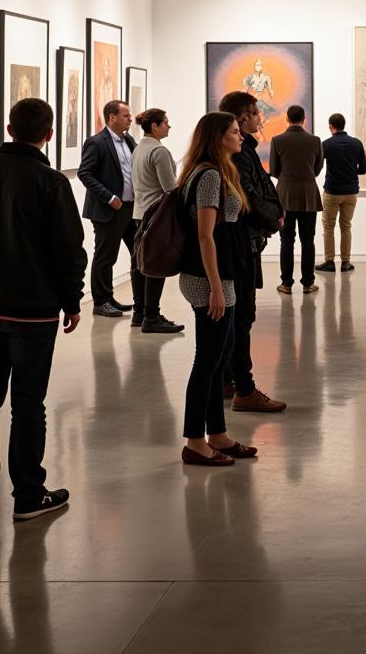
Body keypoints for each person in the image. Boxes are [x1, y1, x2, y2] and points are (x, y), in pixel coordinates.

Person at [0, 99, 86, 520]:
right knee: (29, 403)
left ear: (9, 128)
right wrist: (72, 299)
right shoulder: (51, 182)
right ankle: (29, 494)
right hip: (33, 309)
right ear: (49, 135)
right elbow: (68, 249)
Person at [177, 112, 257, 466]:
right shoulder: (209, 176)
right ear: (218, 137)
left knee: (218, 359)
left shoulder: (216, 171)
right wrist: (216, 289)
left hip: (222, 277)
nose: (241, 137)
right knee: (207, 362)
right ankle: (195, 441)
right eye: (235, 132)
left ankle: (218, 435)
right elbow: (206, 237)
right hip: (209, 280)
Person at [218, 92, 287, 414]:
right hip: (238, 246)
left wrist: (276, 212)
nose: (261, 118)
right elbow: (250, 196)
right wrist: (273, 217)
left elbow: (265, 186)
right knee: (240, 315)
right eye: (256, 113)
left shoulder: (245, 150)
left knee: (240, 316)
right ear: (241, 118)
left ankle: (229, 380)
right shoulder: (231, 157)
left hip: (246, 244)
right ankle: (242, 387)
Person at [78, 99, 145, 319]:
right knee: (106, 257)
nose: (130, 118)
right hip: (109, 209)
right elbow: (85, 173)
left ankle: (117, 299)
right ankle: (101, 301)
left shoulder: (129, 140)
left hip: (130, 208)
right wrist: (110, 197)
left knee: (138, 253)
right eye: (126, 115)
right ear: (112, 117)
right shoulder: (96, 142)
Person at [130, 108, 184, 334]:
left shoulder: (139, 148)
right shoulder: (159, 152)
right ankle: (152, 316)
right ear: (155, 125)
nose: (169, 126)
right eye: (166, 123)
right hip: (156, 214)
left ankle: (140, 312)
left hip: (139, 213)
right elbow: (169, 189)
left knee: (139, 265)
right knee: (155, 265)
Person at [269, 105, 324, 295]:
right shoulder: (315, 141)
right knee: (308, 240)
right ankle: (308, 283)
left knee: (286, 241)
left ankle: (286, 283)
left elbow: (274, 170)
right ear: (304, 118)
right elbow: (317, 169)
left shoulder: (277, 140)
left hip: (285, 196)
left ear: (287, 118)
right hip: (309, 194)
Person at [317, 113, 366, 275]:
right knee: (346, 226)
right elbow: (364, 168)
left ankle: (330, 261)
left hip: (332, 191)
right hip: (351, 191)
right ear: (344, 125)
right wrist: (352, 171)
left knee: (329, 227)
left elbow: (317, 166)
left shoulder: (327, 144)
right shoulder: (356, 143)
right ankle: (346, 262)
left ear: (331, 126)